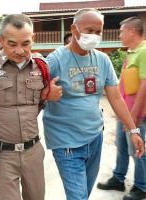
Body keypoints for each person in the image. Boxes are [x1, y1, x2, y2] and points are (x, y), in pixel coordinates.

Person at [42, 9, 145, 200]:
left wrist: (133, 130)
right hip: (66, 142)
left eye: (99, 32)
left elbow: (115, 98)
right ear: (74, 29)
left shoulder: (102, 60)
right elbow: (31, 90)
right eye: (90, 30)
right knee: (78, 197)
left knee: (84, 194)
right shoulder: (55, 60)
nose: (95, 36)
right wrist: (45, 93)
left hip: (94, 137)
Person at [0, 14, 61, 200]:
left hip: (33, 151)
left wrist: (47, 96)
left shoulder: (41, 66)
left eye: (26, 43)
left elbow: (39, 102)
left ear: (32, 39)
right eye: (12, 44)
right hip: (2, 155)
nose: (20, 50)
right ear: (0, 41)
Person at [97, 16, 146, 200]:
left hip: (137, 115)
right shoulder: (131, 52)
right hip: (124, 113)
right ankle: (118, 178)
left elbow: (144, 87)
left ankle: (141, 186)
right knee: (122, 147)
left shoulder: (144, 51)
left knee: (137, 150)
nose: (119, 35)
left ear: (132, 31)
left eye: (122, 32)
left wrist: (132, 118)